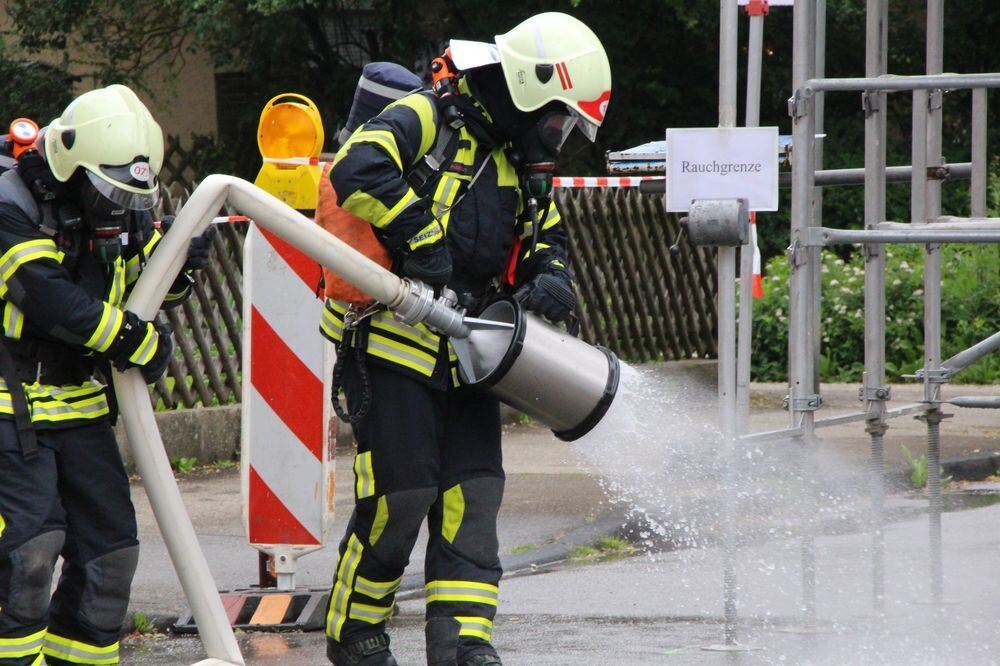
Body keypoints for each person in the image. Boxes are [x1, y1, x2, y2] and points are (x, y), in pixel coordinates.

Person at [319, 13, 611, 666]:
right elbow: (358, 168)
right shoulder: (429, 117)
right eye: (561, 121)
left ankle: (464, 647)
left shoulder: (521, 158)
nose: (559, 140)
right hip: (395, 341)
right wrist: (419, 236)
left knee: (472, 499)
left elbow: (549, 235)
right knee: (402, 498)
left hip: (475, 355)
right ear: (534, 91)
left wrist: (553, 277)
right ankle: (356, 637)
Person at [0, 84, 213, 666]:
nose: (118, 205)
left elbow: (135, 287)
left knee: (110, 558)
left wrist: (178, 267)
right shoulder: (8, 202)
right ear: (69, 161)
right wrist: (130, 339)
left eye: (129, 194)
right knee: (27, 556)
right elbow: (48, 299)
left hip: (80, 403)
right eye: (108, 190)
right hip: (8, 404)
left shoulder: (116, 209)